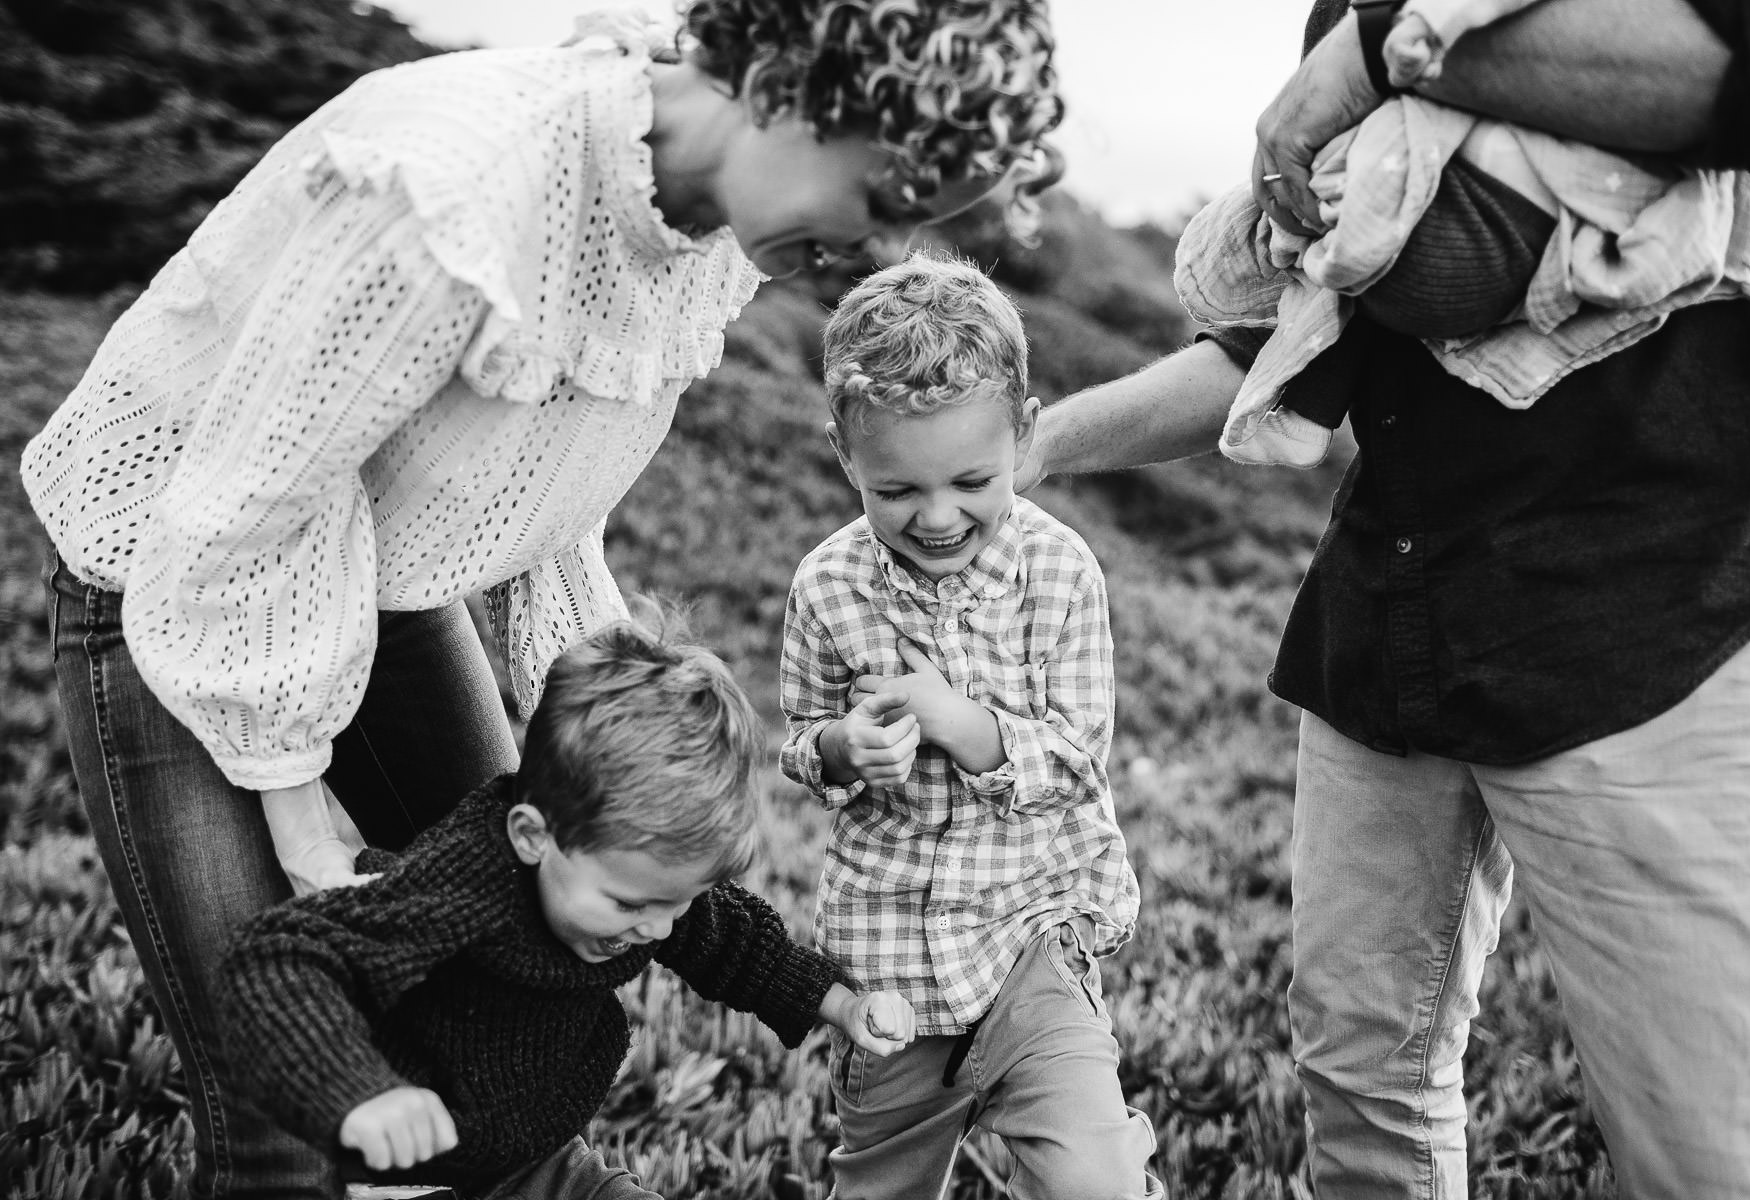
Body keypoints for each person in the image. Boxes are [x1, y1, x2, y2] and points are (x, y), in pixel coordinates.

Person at [20, 2, 1062, 1194]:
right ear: (778, 85)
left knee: (513, 1004)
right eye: (876, 203)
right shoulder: (456, 191)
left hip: (393, 584)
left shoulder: (708, 227)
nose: (879, 249)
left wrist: (619, 730)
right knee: (291, 1117)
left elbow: (536, 486)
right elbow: (249, 512)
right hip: (177, 584)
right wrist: (302, 822)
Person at [1018, 0, 1750, 1195]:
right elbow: (1299, 341)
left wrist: (1386, 45)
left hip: (1659, 616)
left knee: (1710, 1147)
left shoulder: (1364, 37)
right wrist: (1027, 451)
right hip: (1399, 616)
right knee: (1360, 1079)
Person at [214, 614, 915, 1199]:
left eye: (678, 901)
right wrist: (361, 1092)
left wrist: (839, 1004)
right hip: (413, 1175)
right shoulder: (463, 886)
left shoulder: (635, 886)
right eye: (632, 902)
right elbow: (282, 958)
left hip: (536, 1158)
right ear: (533, 837)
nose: (660, 927)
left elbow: (731, 940)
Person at [778, 254, 1156, 1200]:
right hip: (891, 952)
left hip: (1033, 935)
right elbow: (800, 741)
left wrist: (960, 721)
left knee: (1094, 1179)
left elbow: (1074, 761)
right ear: (843, 453)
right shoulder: (827, 587)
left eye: (971, 480)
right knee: (879, 1188)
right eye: (897, 491)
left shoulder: (1062, 573)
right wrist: (841, 748)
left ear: (1024, 434)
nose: (938, 516)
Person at [1185, 0, 1750, 468]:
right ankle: (1309, 383)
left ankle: (1308, 383)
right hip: (1414, 539)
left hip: (1669, 503)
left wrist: (1382, 44)